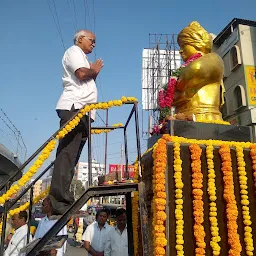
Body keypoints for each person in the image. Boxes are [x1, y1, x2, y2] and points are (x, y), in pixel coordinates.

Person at [49, 29, 104, 215]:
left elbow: (86, 78)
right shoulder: (74, 51)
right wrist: (93, 69)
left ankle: (65, 201)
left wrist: (93, 72)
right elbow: (81, 74)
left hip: (84, 112)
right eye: (92, 40)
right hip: (74, 108)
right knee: (66, 156)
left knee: (71, 159)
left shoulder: (81, 54)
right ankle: (59, 204)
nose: (94, 44)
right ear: (80, 39)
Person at [173, 21, 225, 121]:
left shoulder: (213, 59)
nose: (180, 51)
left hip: (205, 116)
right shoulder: (184, 68)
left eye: (184, 45)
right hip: (183, 117)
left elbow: (196, 69)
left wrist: (177, 87)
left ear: (197, 43)